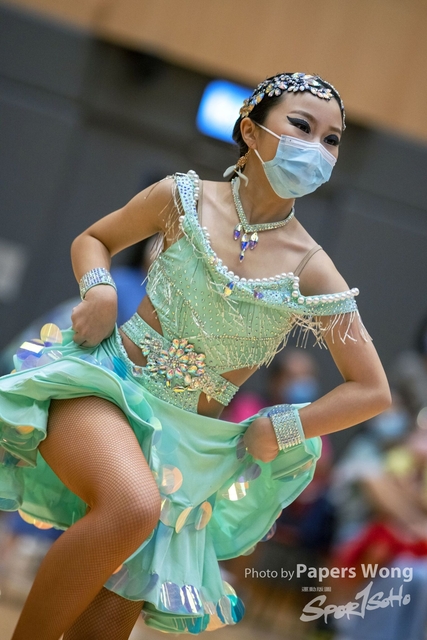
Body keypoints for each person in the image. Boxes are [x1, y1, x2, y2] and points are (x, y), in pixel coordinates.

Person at [0, 72, 390, 639]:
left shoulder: (313, 268)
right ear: (251, 131)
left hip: (187, 451)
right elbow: (94, 240)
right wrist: (100, 291)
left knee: (104, 626)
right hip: (107, 387)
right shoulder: (181, 197)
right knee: (134, 505)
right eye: (302, 126)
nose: (317, 149)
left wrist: (282, 426)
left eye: (331, 140)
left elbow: (372, 389)